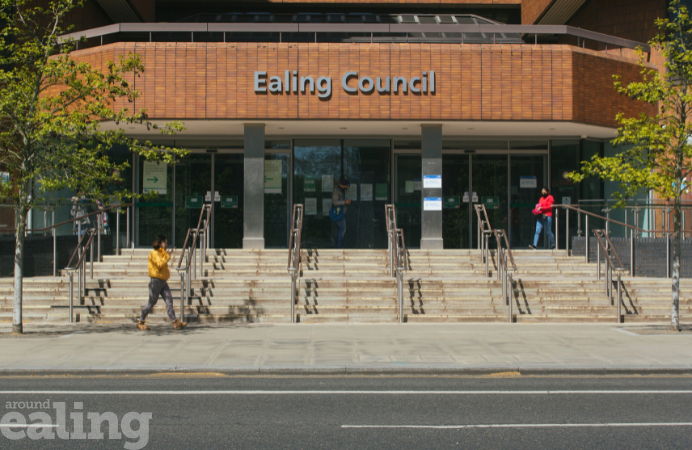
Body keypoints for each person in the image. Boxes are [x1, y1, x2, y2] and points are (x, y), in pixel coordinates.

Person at [137, 235, 187, 331]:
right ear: (160, 243)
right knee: (151, 302)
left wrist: (166, 254)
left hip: (163, 281)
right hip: (155, 281)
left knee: (169, 301)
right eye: (165, 242)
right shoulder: (154, 253)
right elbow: (160, 264)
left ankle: (175, 322)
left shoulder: (161, 253)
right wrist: (168, 255)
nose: (167, 244)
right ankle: (140, 321)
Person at [332, 179, 352, 249]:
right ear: (344, 185)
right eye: (346, 187)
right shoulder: (336, 191)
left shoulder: (340, 190)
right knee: (342, 229)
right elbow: (335, 202)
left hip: (341, 213)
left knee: (339, 230)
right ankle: (339, 247)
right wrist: (345, 202)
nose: (346, 189)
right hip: (339, 213)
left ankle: (338, 246)